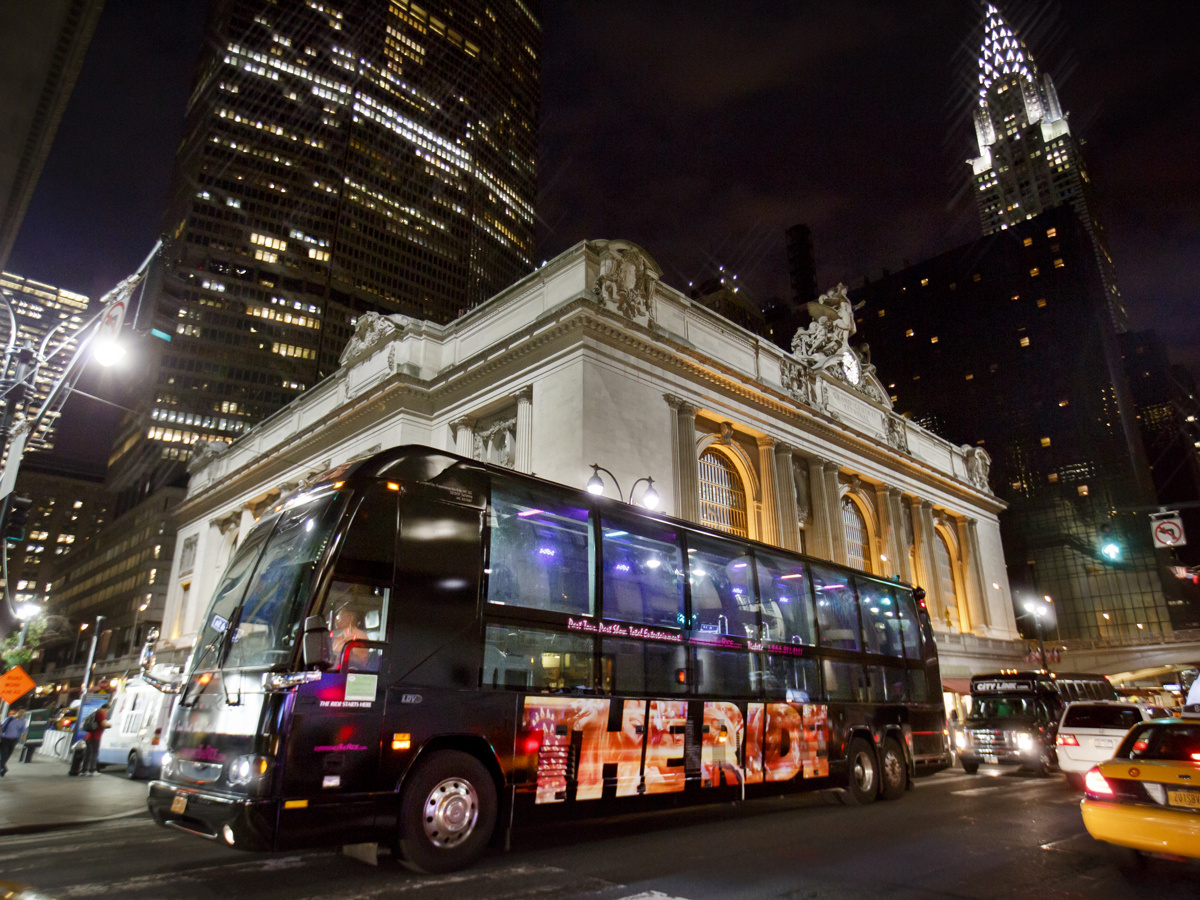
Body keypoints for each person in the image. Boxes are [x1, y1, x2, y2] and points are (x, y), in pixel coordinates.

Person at [82, 702, 111, 776]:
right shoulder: (102, 714)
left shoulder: (96, 712)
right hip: (95, 737)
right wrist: (110, 725)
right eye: (108, 710)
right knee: (94, 753)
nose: (107, 712)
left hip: (88, 736)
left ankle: (84, 771)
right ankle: (92, 770)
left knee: (88, 754)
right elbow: (103, 724)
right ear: (107, 709)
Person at [0, 708, 28, 776]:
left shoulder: (23, 721)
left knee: (8, 755)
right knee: (4, 754)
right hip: (5, 739)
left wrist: (24, 737)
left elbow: (24, 730)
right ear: (16, 712)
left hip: (14, 740)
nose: (22, 714)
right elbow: (1, 727)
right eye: (20, 712)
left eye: (23, 713)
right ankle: (3, 768)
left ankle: (3, 768)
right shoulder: (9, 719)